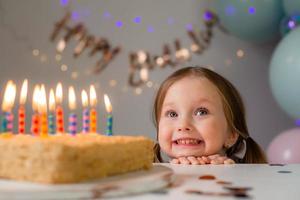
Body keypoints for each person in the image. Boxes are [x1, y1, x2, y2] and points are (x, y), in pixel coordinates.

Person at [153, 66, 267, 164]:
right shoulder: (150, 176)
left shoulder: (246, 176)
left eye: (201, 112)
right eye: (172, 114)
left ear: (231, 134)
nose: (183, 125)